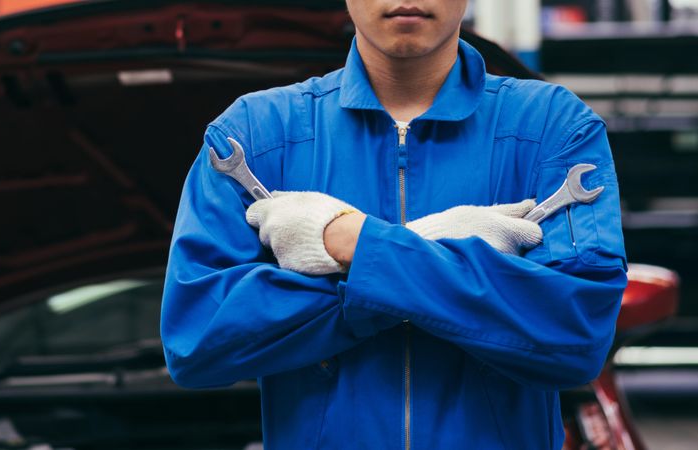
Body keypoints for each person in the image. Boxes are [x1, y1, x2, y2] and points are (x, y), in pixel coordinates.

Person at [160, 1, 627, 449]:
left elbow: (576, 337)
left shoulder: (554, 127)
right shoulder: (256, 134)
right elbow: (196, 341)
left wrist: (350, 243)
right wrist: (425, 256)